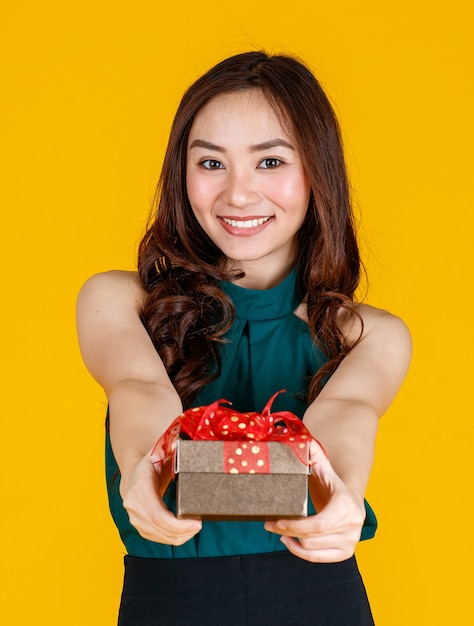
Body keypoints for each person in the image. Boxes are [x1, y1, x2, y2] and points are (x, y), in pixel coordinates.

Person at [76, 51, 411, 625]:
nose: (237, 194)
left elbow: (342, 423)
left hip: (317, 602)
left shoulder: (371, 334)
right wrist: (145, 463)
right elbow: (137, 386)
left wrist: (339, 491)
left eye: (270, 161)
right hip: (168, 603)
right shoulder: (118, 300)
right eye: (211, 164)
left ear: (317, 172)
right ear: (182, 174)